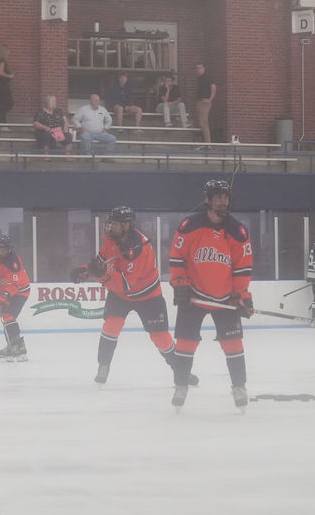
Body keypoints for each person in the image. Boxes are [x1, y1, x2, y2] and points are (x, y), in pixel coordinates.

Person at [70, 206, 190, 394]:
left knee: (161, 338)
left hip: (147, 295)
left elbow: (127, 284)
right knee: (110, 326)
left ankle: (180, 370)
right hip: (120, 295)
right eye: (110, 222)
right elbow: (102, 260)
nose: (110, 227)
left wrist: (101, 275)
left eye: (115, 224)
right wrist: (85, 270)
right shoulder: (111, 239)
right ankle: (103, 366)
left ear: (127, 225)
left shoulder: (138, 248)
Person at [169, 180, 254, 411]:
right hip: (193, 295)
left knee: (233, 344)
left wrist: (242, 294)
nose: (222, 201)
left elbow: (243, 267)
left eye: (225, 197)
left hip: (225, 298)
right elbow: (177, 257)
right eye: (217, 197)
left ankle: (239, 386)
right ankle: (181, 385)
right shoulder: (190, 225)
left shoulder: (237, 230)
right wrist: (180, 284)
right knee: (185, 343)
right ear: (207, 199)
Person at [0, 234, 31, 362]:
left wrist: (4, 300)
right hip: (3, 291)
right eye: (0, 248)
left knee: (8, 316)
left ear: (9, 249)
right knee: (5, 317)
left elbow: (14, 285)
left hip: (20, 292)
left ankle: (19, 348)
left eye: (5, 248)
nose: (2, 251)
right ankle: (12, 346)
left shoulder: (14, 262)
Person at [194, 63, 217, 147]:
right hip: (199, 101)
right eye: (197, 68)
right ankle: (203, 140)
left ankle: (208, 143)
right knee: (200, 121)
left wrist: (210, 99)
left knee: (203, 121)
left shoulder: (207, 77)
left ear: (203, 68)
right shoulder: (199, 78)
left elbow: (213, 87)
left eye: (200, 68)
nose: (198, 69)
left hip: (205, 102)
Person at [0, 45, 14, 132]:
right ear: (5, 52)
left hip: (0, 85)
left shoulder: (1, 61)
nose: (9, 53)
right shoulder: (2, 61)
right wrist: (10, 75)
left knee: (3, 104)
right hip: (2, 85)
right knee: (9, 103)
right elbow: (0, 73)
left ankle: (3, 125)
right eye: (8, 51)